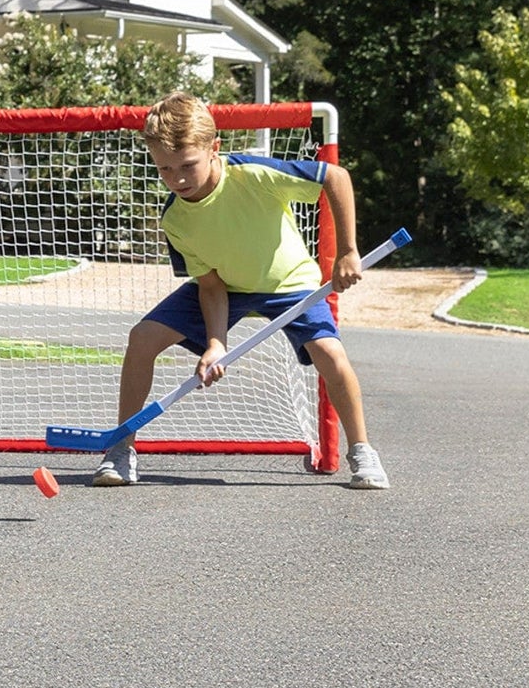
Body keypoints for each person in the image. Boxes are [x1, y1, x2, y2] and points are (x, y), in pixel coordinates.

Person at [94, 91, 389, 493]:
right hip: (227, 286)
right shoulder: (176, 218)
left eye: (187, 166)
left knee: (330, 353)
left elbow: (335, 177)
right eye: (164, 169)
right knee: (141, 338)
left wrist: (348, 252)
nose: (177, 179)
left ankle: (362, 452)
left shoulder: (253, 175)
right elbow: (211, 284)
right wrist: (216, 344)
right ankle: (121, 450)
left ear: (214, 149)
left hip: (289, 285)